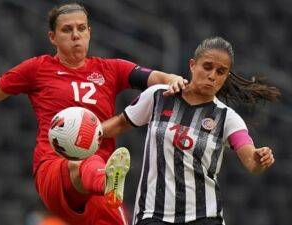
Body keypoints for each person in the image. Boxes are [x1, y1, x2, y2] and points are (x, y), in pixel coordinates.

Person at [0, 3, 188, 225]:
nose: (75, 35)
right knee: (79, 163)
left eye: (81, 28)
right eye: (67, 30)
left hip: (99, 171)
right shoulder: (37, 69)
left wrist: (173, 80)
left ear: (89, 32)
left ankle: (105, 181)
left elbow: (155, 77)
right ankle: (105, 179)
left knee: (95, 166)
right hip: (53, 166)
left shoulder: (110, 69)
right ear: (52, 36)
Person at [102, 37, 279, 225]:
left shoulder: (227, 117)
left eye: (220, 71)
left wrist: (259, 158)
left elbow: (251, 159)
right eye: (207, 67)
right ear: (193, 65)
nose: (212, 75)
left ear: (226, 76)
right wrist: (90, 134)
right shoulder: (160, 95)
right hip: (152, 214)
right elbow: (120, 124)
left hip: (204, 217)